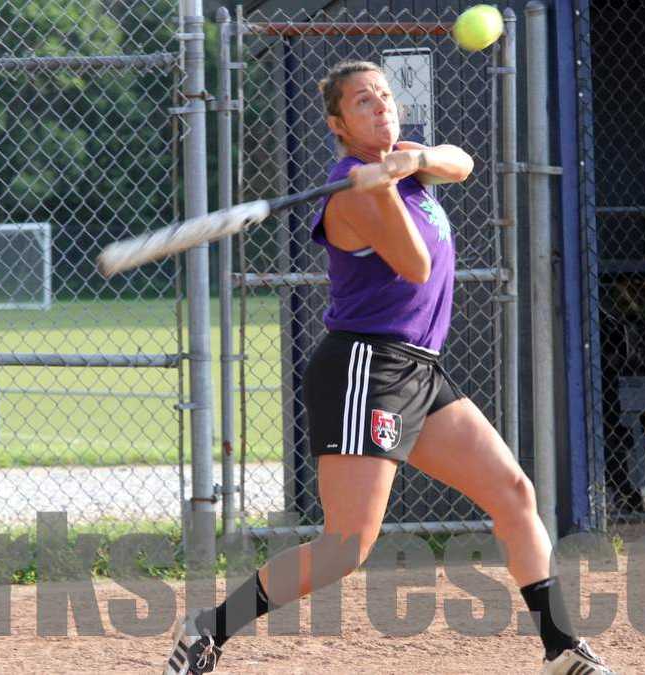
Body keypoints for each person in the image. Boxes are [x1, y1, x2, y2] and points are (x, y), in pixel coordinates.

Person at [163, 60, 613, 675]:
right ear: (338, 125)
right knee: (345, 547)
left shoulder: (401, 163)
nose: (381, 107)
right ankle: (207, 629)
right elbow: (415, 266)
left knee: (513, 493)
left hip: (420, 368)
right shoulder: (352, 190)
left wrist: (411, 160)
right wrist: (378, 185)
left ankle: (560, 649)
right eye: (363, 102)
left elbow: (462, 163)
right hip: (366, 367)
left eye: (384, 97)